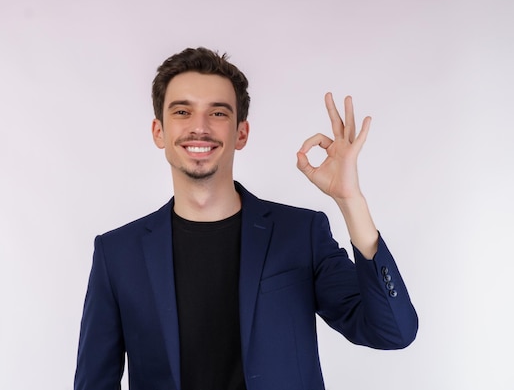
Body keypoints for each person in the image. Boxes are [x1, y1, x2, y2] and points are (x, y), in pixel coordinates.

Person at [74, 47, 418, 390]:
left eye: (219, 113)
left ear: (241, 133)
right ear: (158, 132)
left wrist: (351, 201)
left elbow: (392, 331)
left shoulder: (300, 235)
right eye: (182, 111)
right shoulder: (117, 254)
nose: (200, 127)